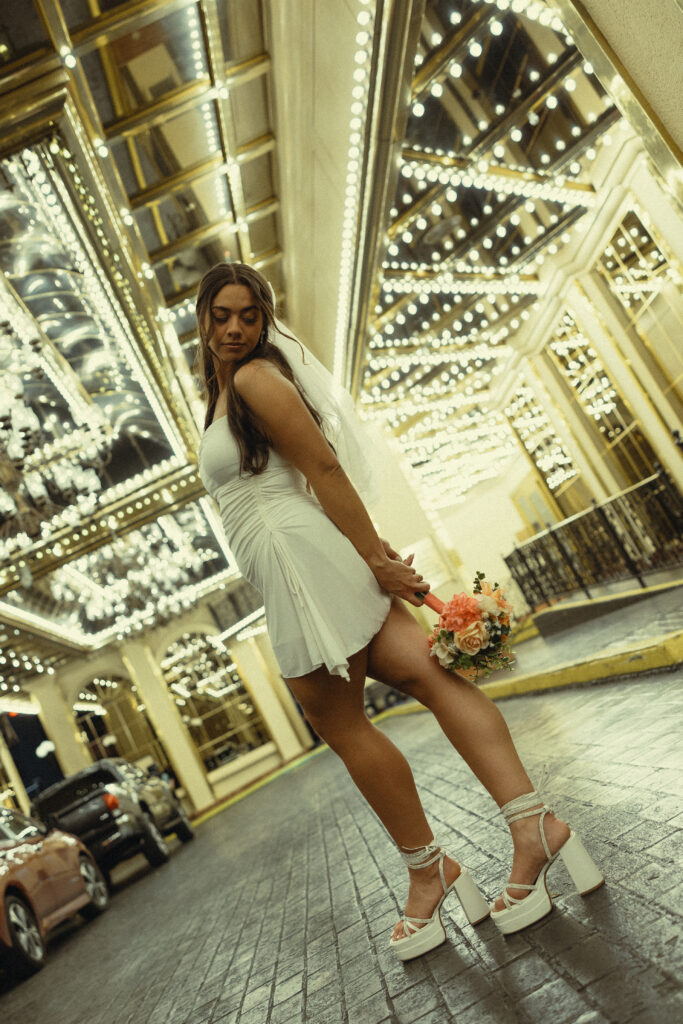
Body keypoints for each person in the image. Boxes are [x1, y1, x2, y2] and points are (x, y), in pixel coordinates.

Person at [196, 262, 603, 961]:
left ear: (264, 323)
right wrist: (370, 554)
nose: (235, 327)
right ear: (202, 318)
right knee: (431, 677)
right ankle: (532, 823)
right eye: (222, 314)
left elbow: (324, 470)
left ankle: (428, 872)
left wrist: (375, 559)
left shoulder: (255, 379)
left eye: (249, 315)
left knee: (340, 723)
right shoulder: (226, 391)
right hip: (309, 556)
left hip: (300, 566)